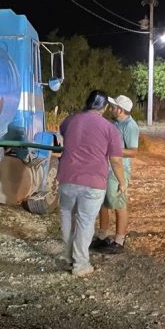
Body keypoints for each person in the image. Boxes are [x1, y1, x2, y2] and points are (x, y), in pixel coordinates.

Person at [57, 90, 126, 277]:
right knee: (85, 221)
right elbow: (116, 161)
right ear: (103, 108)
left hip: (67, 177)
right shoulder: (110, 128)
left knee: (68, 218)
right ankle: (80, 265)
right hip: (94, 181)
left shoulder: (70, 120)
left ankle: (70, 257)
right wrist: (122, 181)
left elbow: (63, 134)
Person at [93, 95, 139, 254]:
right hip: (107, 168)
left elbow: (133, 152)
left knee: (119, 204)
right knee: (103, 203)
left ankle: (119, 240)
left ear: (120, 110)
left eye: (113, 107)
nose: (110, 109)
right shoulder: (114, 124)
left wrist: (113, 151)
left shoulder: (130, 126)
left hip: (119, 170)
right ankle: (103, 236)